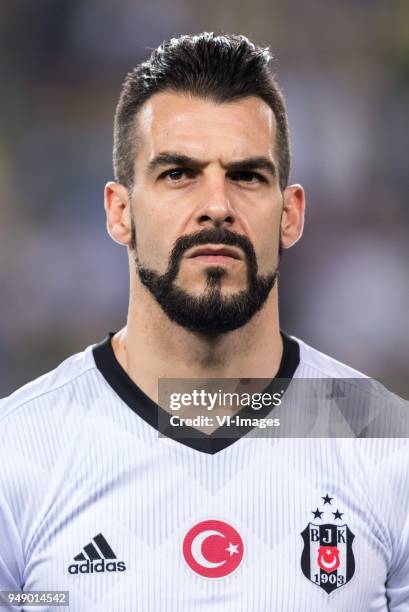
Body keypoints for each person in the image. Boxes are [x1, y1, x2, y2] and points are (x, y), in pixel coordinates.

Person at [1, 32, 408, 611]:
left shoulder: (388, 446)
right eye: (178, 174)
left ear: (290, 214)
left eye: (247, 176)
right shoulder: (18, 454)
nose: (217, 204)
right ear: (121, 211)